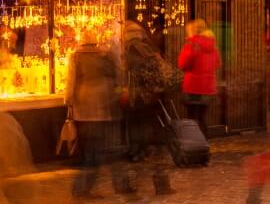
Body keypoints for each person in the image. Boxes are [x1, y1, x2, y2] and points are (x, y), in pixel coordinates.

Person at [66, 30, 131, 198]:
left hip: (84, 110)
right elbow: (119, 77)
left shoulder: (76, 57)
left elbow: (70, 84)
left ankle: (81, 188)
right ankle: (119, 185)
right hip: (104, 108)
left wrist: (69, 103)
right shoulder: (105, 56)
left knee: (90, 151)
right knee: (109, 149)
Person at [122, 22, 176, 196]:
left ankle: (130, 185)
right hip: (151, 104)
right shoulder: (148, 52)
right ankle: (161, 185)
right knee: (156, 146)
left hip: (133, 105)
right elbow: (162, 78)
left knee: (136, 147)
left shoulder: (124, 54)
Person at [178, 18, 222, 131]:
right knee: (201, 117)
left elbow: (182, 64)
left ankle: (193, 140)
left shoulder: (192, 45)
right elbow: (217, 64)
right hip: (208, 88)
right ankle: (203, 139)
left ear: (193, 31)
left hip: (193, 87)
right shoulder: (213, 46)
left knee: (191, 118)